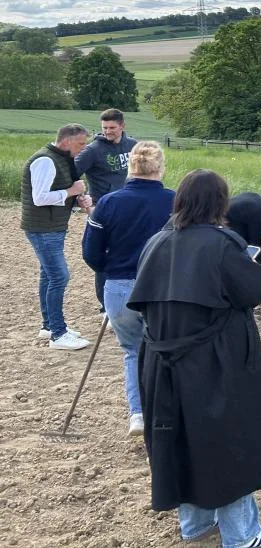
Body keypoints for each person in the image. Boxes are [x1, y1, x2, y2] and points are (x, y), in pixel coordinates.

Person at [128, 169, 261, 548]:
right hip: (215, 362)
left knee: (181, 437)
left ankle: (195, 524)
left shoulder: (156, 243)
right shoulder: (221, 245)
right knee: (228, 440)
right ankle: (242, 535)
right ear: (219, 204)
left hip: (160, 362)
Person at [81, 141, 174, 436]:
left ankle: (138, 413)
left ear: (130, 166)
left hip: (120, 288)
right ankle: (166, 414)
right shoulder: (176, 202)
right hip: (163, 288)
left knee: (132, 351)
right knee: (167, 352)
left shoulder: (109, 202)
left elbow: (91, 253)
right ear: (160, 168)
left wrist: (110, 270)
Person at [22, 123, 92, 350]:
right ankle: (58, 335)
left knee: (48, 275)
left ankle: (49, 326)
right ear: (67, 140)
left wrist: (75, 200)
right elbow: (40, 198)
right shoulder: (45, 160)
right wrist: (71, 192)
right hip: (44, 229)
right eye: (81, 143)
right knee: (59, 277)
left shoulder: (60, 159)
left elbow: (57, 192)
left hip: (52, 227)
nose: (83, 148)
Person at [75, 108, 138, 311]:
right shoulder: (93, 150)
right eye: (105, 128)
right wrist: (80, 197)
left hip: (130, 208)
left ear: (122, 126)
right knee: (105, 256)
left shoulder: (133, 146)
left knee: (131, 252)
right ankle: (106, 307)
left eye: (112, 127)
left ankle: (132, 299)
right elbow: (70, 172)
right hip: (105, 208)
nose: (108, 131)